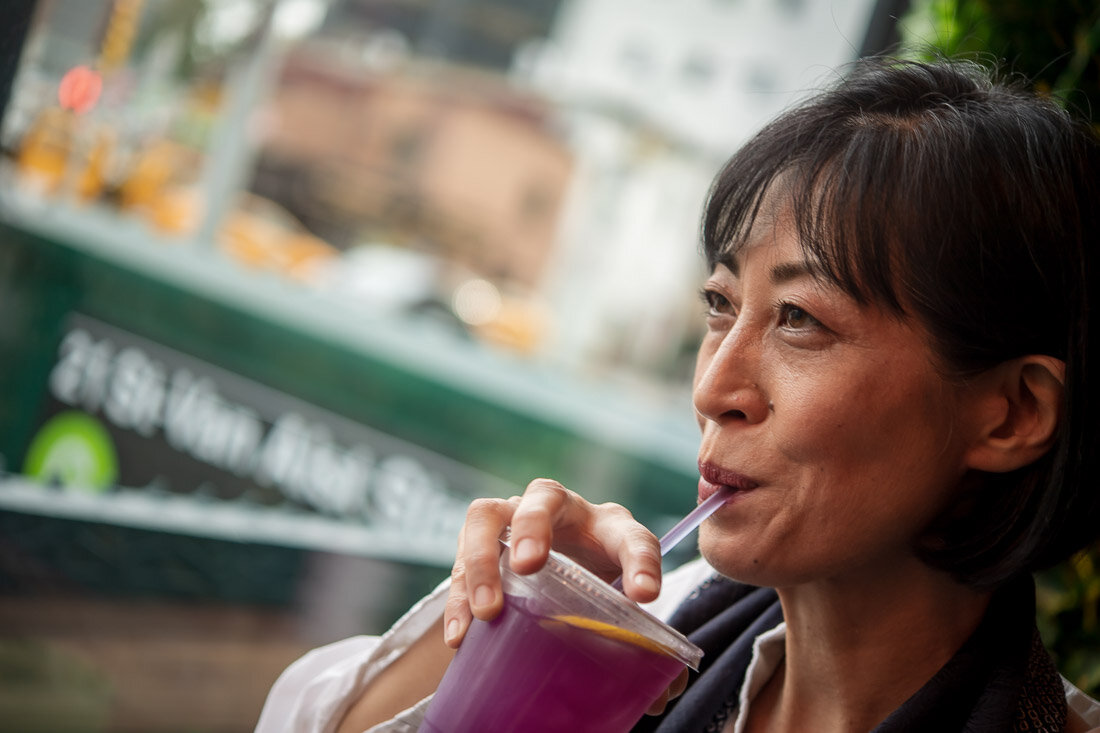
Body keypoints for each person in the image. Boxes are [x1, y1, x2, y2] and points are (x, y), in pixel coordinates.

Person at [256, 57, 1100, 733]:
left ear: (1013, 412)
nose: (714, 386)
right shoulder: (653, 633)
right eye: (720, 305)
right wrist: (503, 626)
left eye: (801, 319)